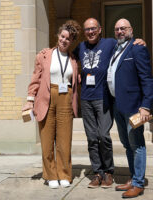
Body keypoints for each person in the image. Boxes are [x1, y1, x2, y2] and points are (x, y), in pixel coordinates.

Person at [73, 18, 146, 189]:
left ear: (99, 30)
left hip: (104, 98)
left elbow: (127, 45)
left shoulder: (110, 43)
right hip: (86, 99)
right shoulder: (81, 47)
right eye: (87, 29)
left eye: (93, 29)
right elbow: (66, 56)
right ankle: (98, 172)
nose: (90, 32)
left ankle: (109, 172)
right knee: (91, 138)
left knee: (103, 136)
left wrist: (141, 41)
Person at [22, 20, 81, 189]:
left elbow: (77, 80)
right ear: (58, 35)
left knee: (64, 141)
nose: (64, 40)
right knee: (47, 140)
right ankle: (50, 174)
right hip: (46, 97)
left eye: (68, 39)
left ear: (72, 42)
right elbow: (36, 79)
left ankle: (64, 174)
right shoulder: (44, 55)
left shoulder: (74, 59)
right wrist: (29, 100)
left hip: (66, 99)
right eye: (62, 36)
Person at [106, 18, 153, 198]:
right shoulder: (115, 48)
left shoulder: (137, 48)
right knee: (127, 145)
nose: (119, 31)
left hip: (134, 107)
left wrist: (146, 106)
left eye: (123, 28)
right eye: (117, 29)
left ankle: (139, 184)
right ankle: (134, 178)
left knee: (137, 145)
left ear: (131, 30)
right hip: (118, 105)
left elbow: (147, 79)